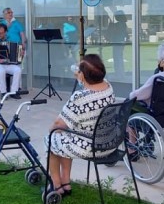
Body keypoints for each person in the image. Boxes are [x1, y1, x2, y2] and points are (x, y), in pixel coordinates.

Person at [44, 54, 115, 196]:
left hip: (90, 146)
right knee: (65, 134)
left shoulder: (80, 98)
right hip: (108, 143)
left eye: (78, 70)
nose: (76, 72)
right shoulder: (108, 87)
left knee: (51, 138)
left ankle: (56, 186)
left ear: (82, 75)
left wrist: (51, 131)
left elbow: (59, 124)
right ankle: (66, 182)